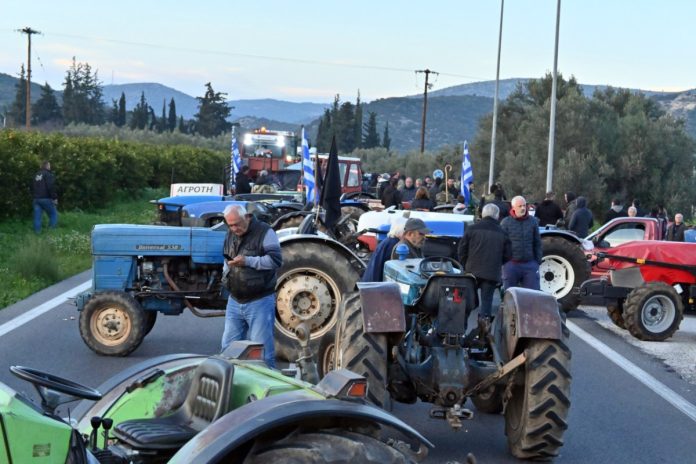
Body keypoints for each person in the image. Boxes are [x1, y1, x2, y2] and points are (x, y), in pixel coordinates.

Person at [221, 204, 282, 368]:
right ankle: (231, 381)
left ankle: (269, 383)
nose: (234, 228)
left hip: (259, 301)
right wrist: (225, 275)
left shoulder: (265, 232)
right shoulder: (230, 233)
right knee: (228, 350)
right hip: (235, 300)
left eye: (237, 224)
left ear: (246, 217)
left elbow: (276, 260)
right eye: (230, 225)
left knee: (262, 355)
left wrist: (248, 261)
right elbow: (226, 258)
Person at [458, 203, 511, 333]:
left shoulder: (471, 229)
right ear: (497, 216)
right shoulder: (502, 233)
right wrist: (498, 263)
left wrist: (465, 265)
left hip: (471, 271)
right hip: (491, 273)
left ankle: (460, 330)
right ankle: (482, 333)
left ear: (482, 214)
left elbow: (461, 250)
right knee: (486, 302)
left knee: (467, 302)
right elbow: (508, 255)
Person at [500, 196, 542, 290]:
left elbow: (537, 242)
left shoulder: (533, 221)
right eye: (520, 206)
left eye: (524, 205)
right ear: (513, 207)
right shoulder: (506, 222)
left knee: (532, 294)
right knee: (510, 294)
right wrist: (505, 263)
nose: (523, 208)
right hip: (511, 265)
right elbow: (501, 244)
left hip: (530, 264)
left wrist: (537, 262)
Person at [32, 160, 58, 234]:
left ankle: (37, 234)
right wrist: (54, 198)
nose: (50, 167)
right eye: (49, 165)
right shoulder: (48, 174)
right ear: (47, 166)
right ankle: (50, 233)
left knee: (37, 217)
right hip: (46, 198)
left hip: (36, 199)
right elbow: (50, 187)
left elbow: (32, 187)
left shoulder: (36, 175)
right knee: (53, 214)